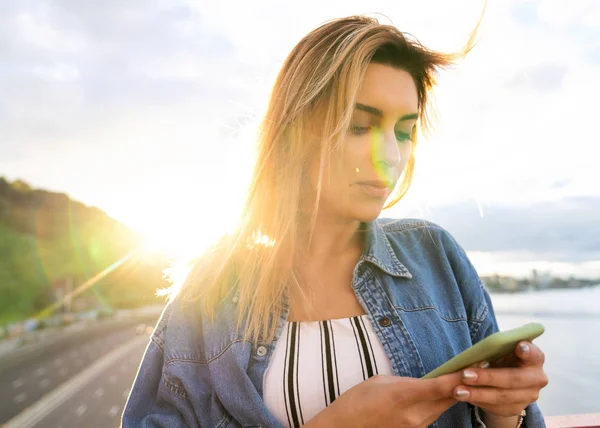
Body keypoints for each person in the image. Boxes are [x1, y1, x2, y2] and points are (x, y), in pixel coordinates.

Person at [122, 15, 548, 428]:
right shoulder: (211, 288)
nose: (390, 157)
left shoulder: (436, 256)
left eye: (403, 131)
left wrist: (504, 413)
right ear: (295, 131)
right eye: (359, 126)